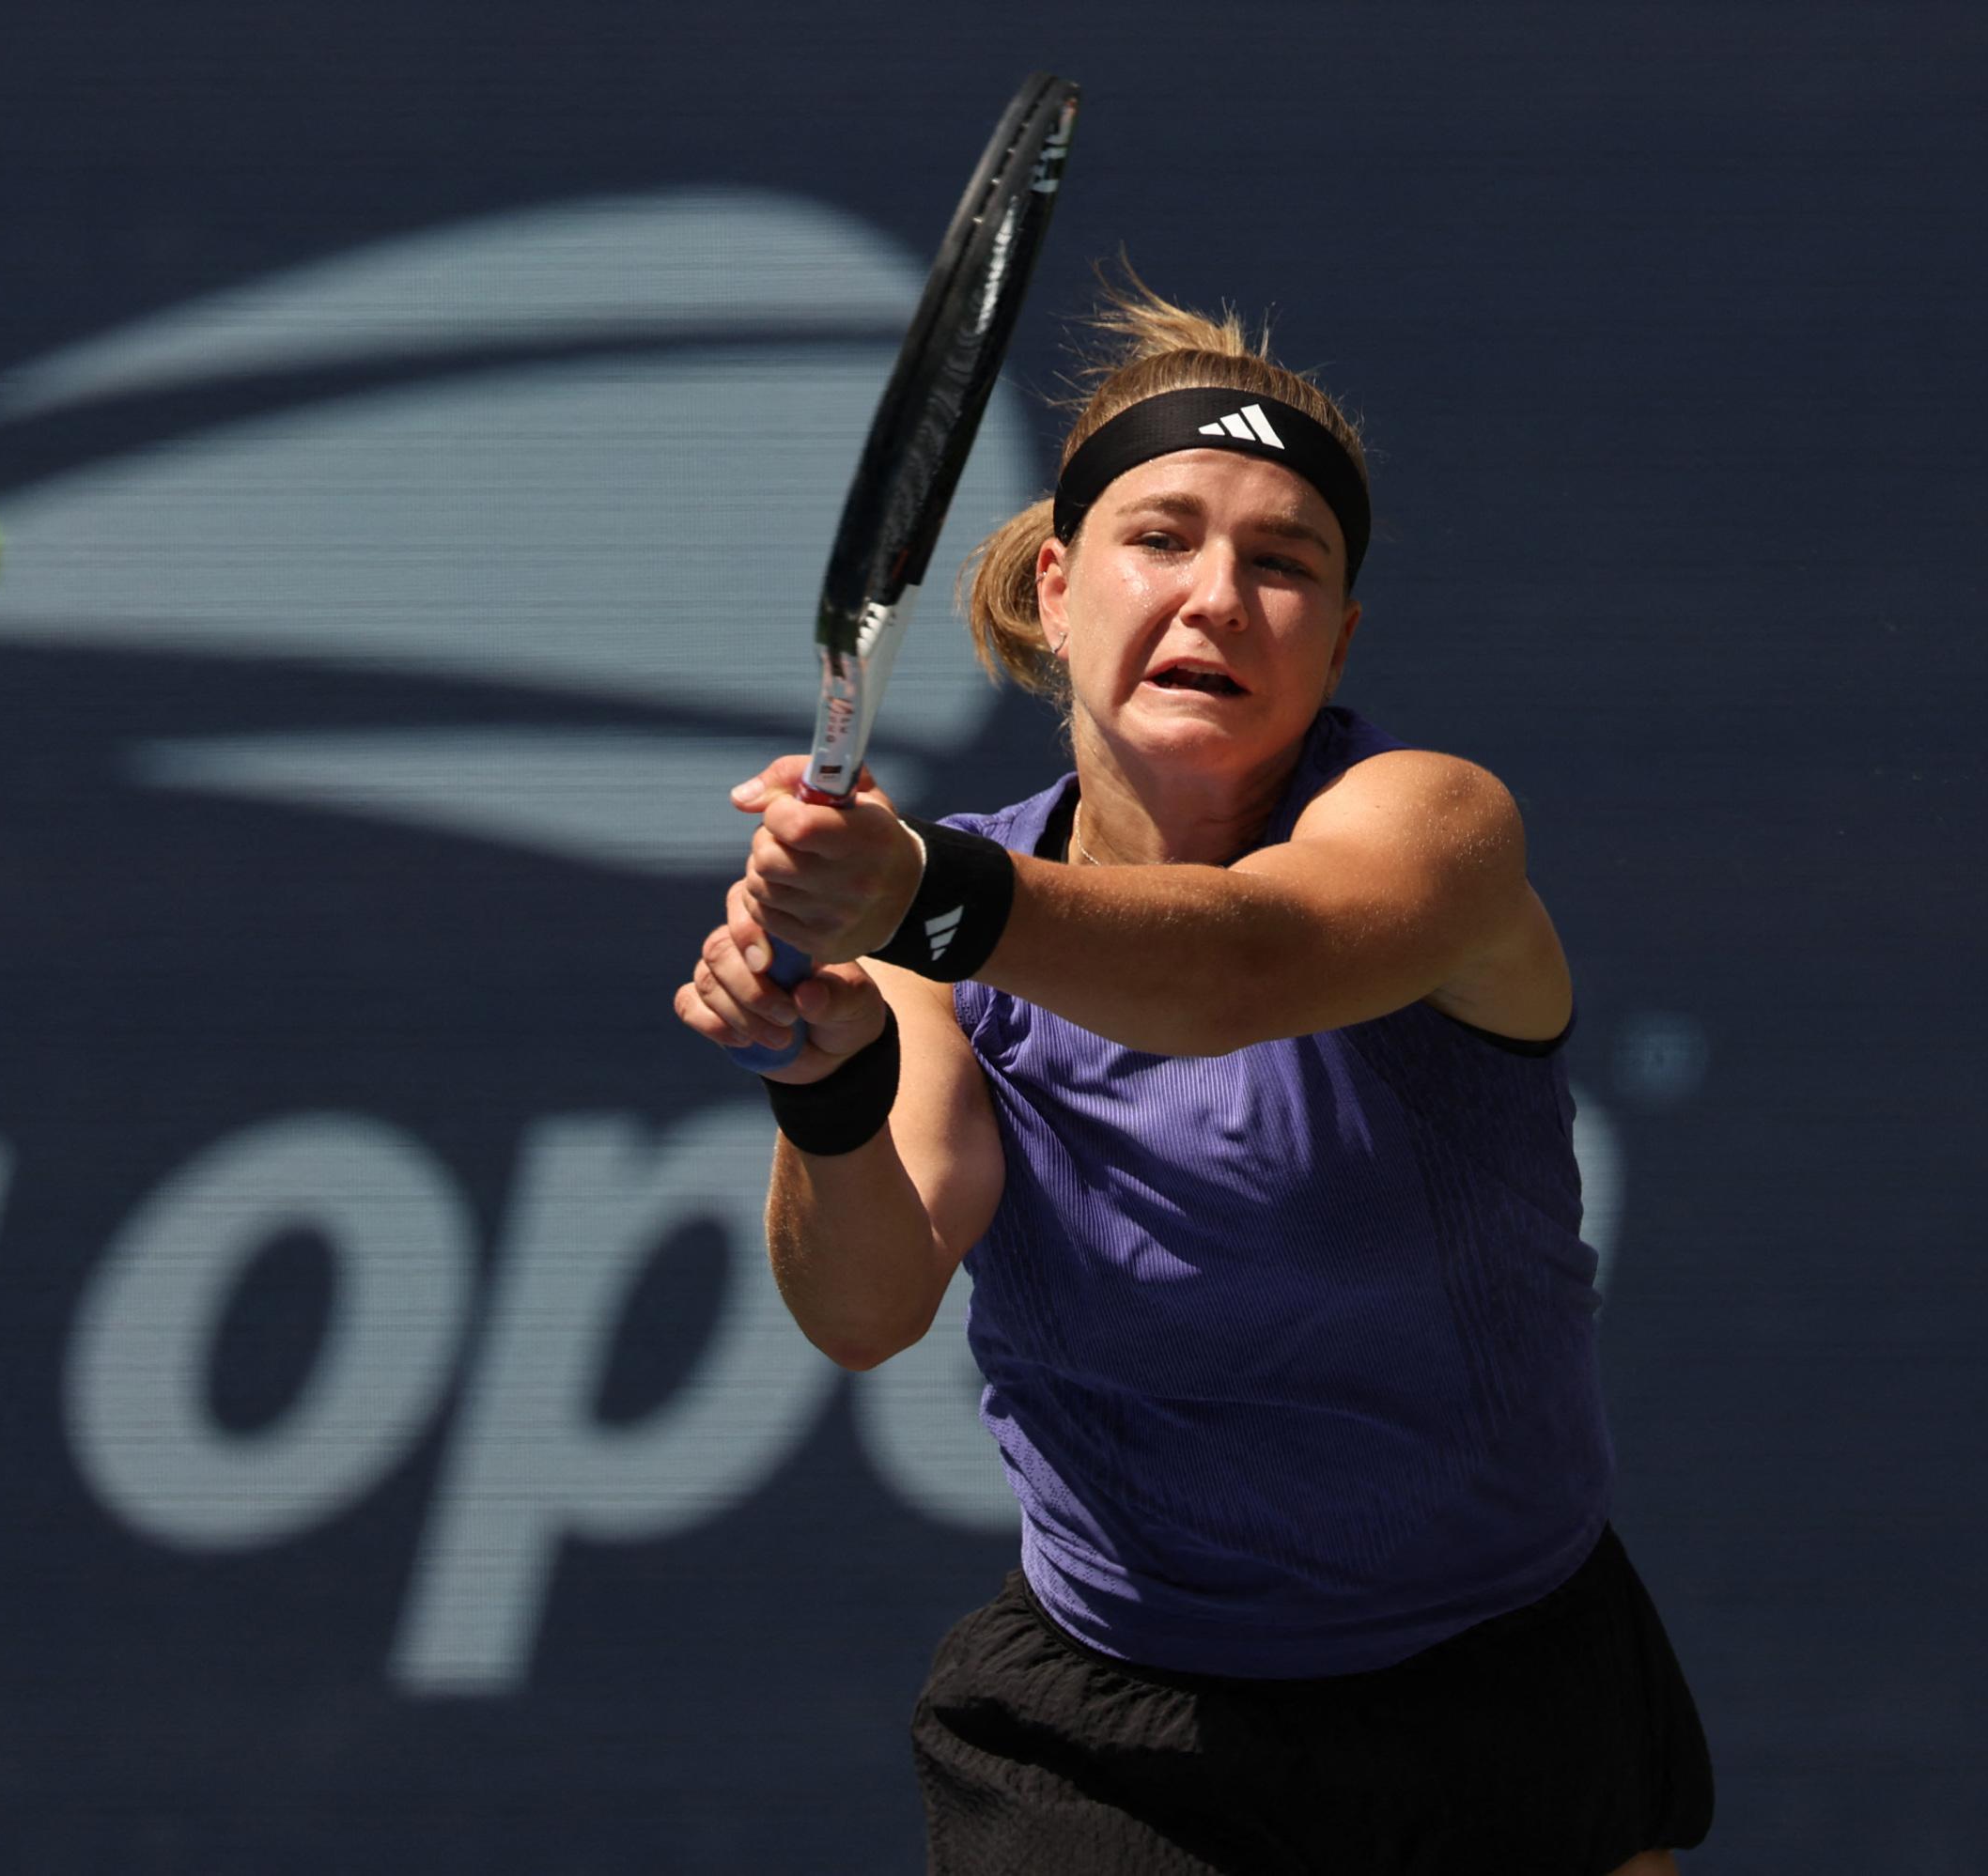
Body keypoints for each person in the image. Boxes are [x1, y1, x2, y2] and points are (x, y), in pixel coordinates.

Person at [673, 272, 1714, 1875]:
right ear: (1056, 581)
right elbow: (865, 1306)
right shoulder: (930, 958)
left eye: (1283, 562)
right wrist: (826, 1083)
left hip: (1503, 1691)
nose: (1219, 596)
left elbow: (1242, 966)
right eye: (1163, 538)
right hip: (1122, 1735)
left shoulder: (1434, 827)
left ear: (1342, 634)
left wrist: (921, 895)